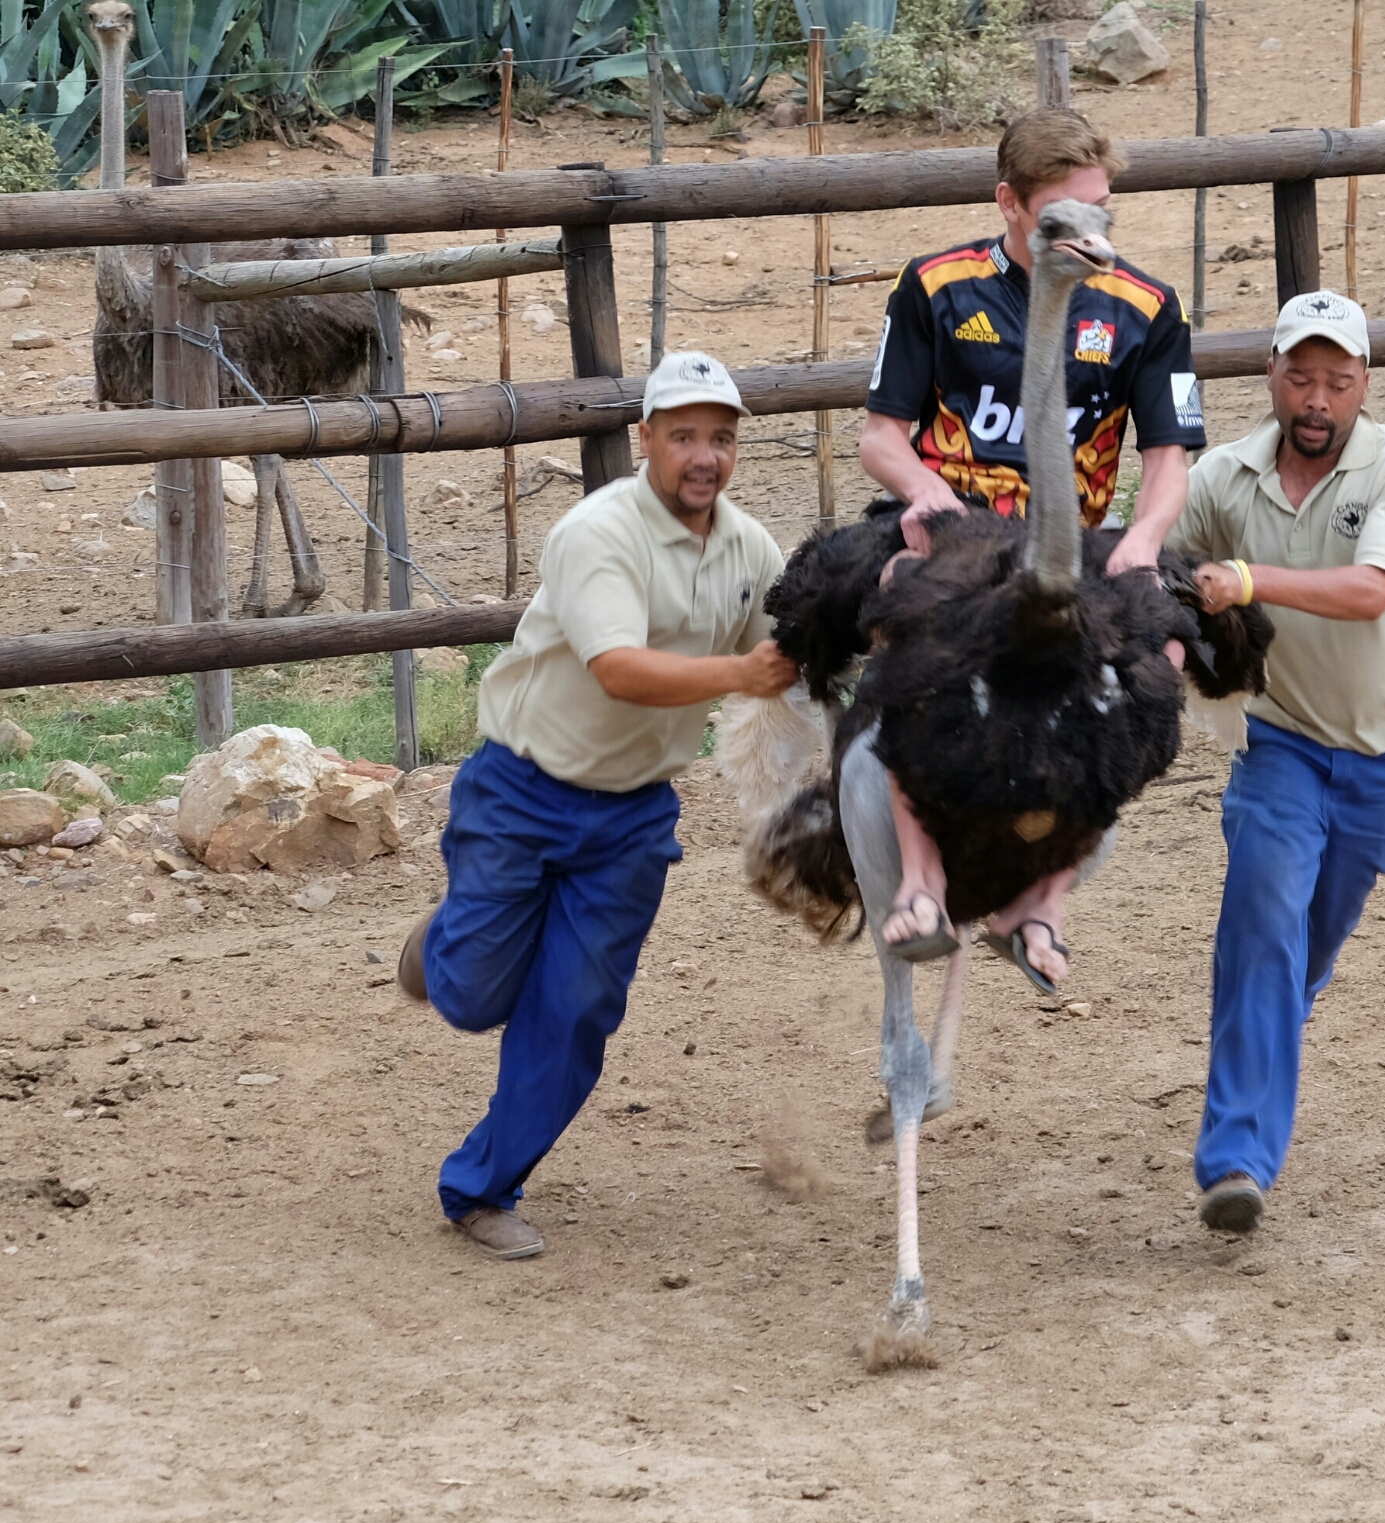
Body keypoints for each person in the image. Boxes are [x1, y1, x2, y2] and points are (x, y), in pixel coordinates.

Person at [397, 351, 796, 1260]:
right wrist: (743, 672)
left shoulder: (749, 550)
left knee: (576, 1009)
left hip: (631, 815)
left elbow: (796, 661)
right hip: (522, 790)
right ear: (644, 439)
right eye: (685, 435)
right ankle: (444, 942)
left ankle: (482, 1188)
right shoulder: (596, 533)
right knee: (469, 996)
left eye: (722, 439)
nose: (705, 456)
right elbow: (617, 668)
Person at [856, 106, 1207, 989]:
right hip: (955, 534)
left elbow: (1170, 456)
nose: (1093, 239)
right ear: (1009, 204)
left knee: (1166, 644)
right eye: (1066, 217)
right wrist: (923, 490)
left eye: (1104, 215)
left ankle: (1046, 896)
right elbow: (880, 435)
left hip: (1072, 542)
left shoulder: (1146, 306)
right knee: (898, 601)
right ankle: (922, 875)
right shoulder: (938, 287)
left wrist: (1147, 540)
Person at [1168, 291, 1385, 1234]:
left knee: (1302, 952)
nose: (1317, 399)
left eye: (1337, 380)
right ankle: (1236, 1160)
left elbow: (1372, 591)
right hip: (1278, 738)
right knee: (1262, 918)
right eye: (1301, 377)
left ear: (1365, 384)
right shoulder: (1221, 479)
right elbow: (1159, 570)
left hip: (1382, 751)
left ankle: (1268, 1034)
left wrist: (1246, 581)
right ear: (1272, 376)